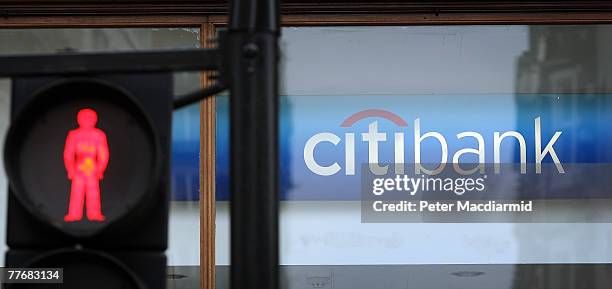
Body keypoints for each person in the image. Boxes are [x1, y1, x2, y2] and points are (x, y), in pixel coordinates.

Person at [63, 108, 109, 222]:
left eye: (90, 118)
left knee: (93, 192)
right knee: (76, 192)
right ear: (79, 119)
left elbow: (103, 154)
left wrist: (100, 169)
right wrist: (71, 169)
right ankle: (74, 214)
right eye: (84, 118)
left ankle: (94, 214)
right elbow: (68, 153)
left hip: (93, 167)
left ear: (95, 120)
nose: (87, 121)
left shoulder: (99, 135)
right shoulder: (73, 135)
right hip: (79, 167)